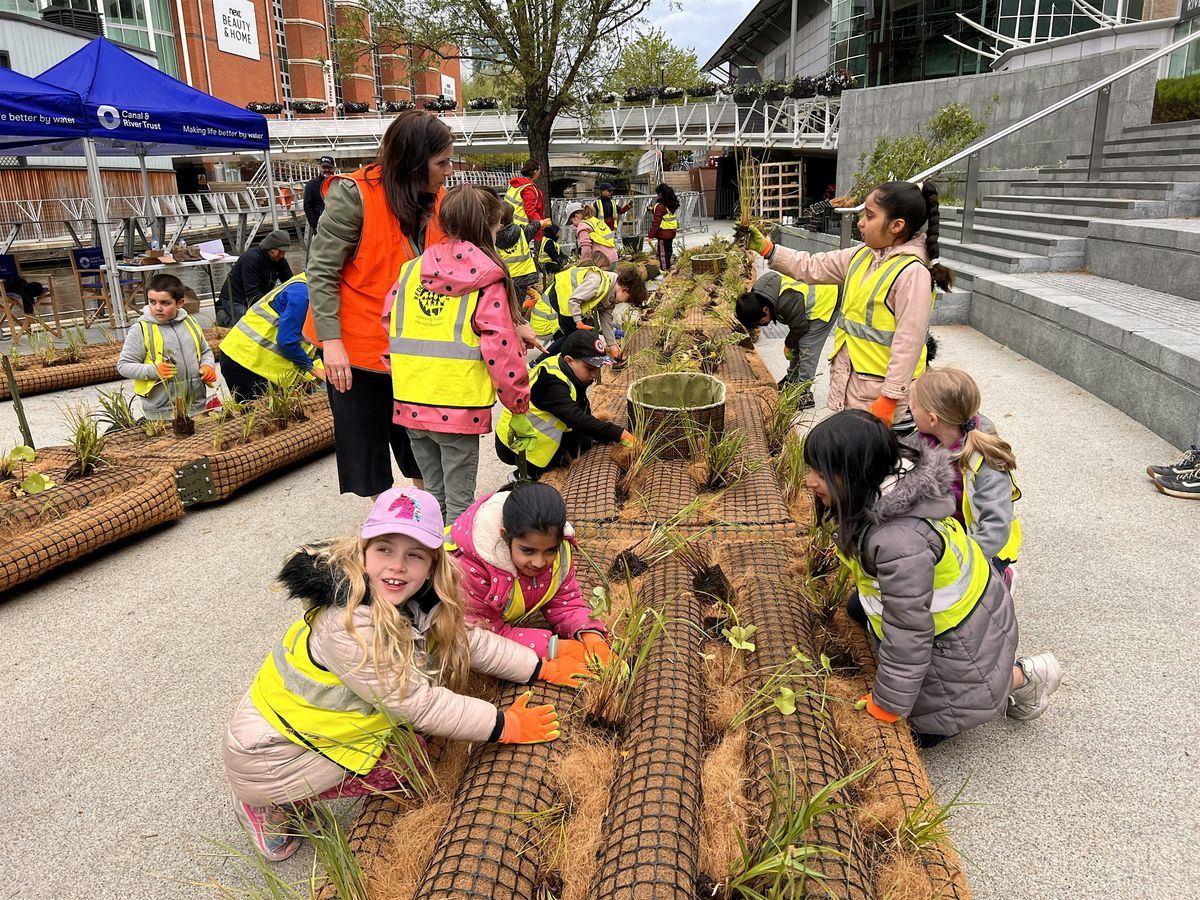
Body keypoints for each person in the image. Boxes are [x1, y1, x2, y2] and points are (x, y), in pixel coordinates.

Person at [223, 487, 592, 862]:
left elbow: (469, 640)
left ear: (432, 564)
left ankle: (289, 790)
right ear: (364, 551)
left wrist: (539, 666)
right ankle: (268, 803)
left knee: (415, 743)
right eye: (385, 549)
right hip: (268, 756)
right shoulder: (348, 625)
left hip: (310, 729)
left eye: (414, 555)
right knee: (406, 764)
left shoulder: (418, 595)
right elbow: (417, 703)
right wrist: (503, 725)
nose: (397, 566)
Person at [803, 409, 1061, 748]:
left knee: (923, 731)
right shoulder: (893, 484)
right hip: (972, 612)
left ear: (855, 473)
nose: (809, 481)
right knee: (858, 609)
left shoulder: (898, 541)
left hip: (963, 639)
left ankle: (1024, 676)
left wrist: (888, 704)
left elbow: (909, 629)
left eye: (820, 473)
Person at [305, 111, 455, 497]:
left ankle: (427, 515)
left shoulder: (436, 199)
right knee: (366, 448)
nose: (448, 171)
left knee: (423, 444)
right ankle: (384, 520)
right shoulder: (354, 196)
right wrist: (332, 343)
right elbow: (321, 271)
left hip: (412, 346)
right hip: (356, 348)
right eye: (441, 163)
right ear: (414, 161)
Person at [746, 180, 951, 430]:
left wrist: (890, 397)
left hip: (886, 400)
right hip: (857, 387)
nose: (860, 222)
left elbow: (909, 343)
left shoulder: (912, 273)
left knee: (885, 454)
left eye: (869, 216)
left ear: (896, 226)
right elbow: (811, 265)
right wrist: (768, 249)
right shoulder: (861, 256)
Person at [385, 183, 535, 523]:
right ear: (490, 226)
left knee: (432, 498)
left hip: (410, 400)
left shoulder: (411, 270)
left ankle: (429, 553)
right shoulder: (487, 278)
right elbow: (501, 351)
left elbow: (389, 326)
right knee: (459, 506)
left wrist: (408, 376)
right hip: (457, 408)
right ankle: (453, 557)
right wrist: (518, 406)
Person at [449, 481, 614, 663]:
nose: (539, 562)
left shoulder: (560, 556)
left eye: (550, 550)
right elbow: (485, 637)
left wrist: (590, 634)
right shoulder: (472, 569)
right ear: (505, 537)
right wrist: (553, 648)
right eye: (528, 551)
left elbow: (566, 605)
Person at [909, 368, 1022, 585]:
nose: (909, 409)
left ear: (932, 419)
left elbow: (995, 527)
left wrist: (961, 562)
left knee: (965, 594)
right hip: (944, 534)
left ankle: (1003, 577)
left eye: (913, 406)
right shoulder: (919, 441)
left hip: (980, 546)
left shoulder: (986, 462)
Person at [496, 330, 634, 478]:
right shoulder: (551, 383)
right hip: (518, 446)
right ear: (569, 360)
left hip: (536, 440)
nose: (595, 375)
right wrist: (620, 435)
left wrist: (605, 436)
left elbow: (582, 408)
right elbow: (577, 419)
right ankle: (524, 476)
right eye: (590, 368)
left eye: (598, 369)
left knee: (584, 443)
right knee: (564, 461)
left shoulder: (565, 368)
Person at [117, 273, 216, 420]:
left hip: (197, 405)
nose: (157, 308)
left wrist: (208, 366)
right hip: (161, 412)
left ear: (180, 303)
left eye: (165, 303)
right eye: (152, 302)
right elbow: (124, 366)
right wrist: (154, 371)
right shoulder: (141, 329)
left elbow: (205, 351)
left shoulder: (191, 322)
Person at [735, 272, 840, 405]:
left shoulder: (786, 302)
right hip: (811, 297)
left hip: (826, 299)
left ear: (766, 310)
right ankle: (792, 379)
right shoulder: (761, 294)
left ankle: (804, 392)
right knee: (797, 343)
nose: (763, 325)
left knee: (807, 347)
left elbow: (800, 328)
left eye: (761, 322)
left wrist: (788, 344)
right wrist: (792, 345)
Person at [218, 273, 324, 402]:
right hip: (243, 362)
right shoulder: (303, 294)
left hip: (254, 361)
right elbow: (287, 342)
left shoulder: (312, 283)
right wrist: (311, 368)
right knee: (259, 412)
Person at [527, 262, 646, 361]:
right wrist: (578, 322)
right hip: (557, 303)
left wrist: (613, 347)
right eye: (628, 300)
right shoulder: (598, 282)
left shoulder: (611, 296)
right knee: (571, 338)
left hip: (568, 306)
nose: (624, 303)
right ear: (625, 290)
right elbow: (574, 300)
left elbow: (606, 323)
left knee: (572, 339)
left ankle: (563, 362)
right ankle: (540, 363)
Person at [217, 230, 294, 327]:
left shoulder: (279, 260)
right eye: (280, 251)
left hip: (257, 295)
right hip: (235, 299)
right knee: (246, 326)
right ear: (271, 248)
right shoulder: (251, 259)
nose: (282, 255)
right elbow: (252, 292)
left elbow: (290, 283)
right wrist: (272, 306)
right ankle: (225, 319)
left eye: (284, 252)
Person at [496, 201, 548, 308]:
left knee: (505, 304)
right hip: (523, 276)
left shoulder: (492, 236)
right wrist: (541, 222)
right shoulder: (521, 232)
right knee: (517, 304)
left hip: (504, 278)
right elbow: (532, 228)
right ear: (512, 218)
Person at [504, 159, 547, 240]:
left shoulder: (515, 185)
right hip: (520, 229)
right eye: (539, 171)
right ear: (535, 171)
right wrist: (542, 223)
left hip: (507, 225)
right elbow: (530, 211)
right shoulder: (528, 189)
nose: (540, 174)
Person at [647, 183, 681, 271]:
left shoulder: (660, 206)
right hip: (671, 232)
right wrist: (652, 210)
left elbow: (656, 223)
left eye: (658, 193)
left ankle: (664, 271)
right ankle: (668, 267)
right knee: (668, 251)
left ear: (661, 194)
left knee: (662, 254)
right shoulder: (671, 205)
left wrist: (650, 236)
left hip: (663, 234)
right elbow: (663, 213)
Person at [303, 155, 336, 235]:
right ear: (320, 167)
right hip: (320, 226)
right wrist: (315, 226)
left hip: (337, 226)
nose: (327, 170)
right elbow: (308, 206)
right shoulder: (311, 185)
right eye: (324, 167)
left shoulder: (339, 183)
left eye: (329, 167)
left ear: (334, 168)